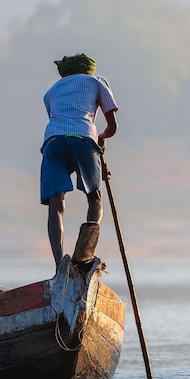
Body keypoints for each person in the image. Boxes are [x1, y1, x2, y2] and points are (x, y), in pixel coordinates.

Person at [39, 53, 119, 271]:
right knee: (95, 199)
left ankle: (60, 266)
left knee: (56, 206)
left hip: (53, 142)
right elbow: (112, 127)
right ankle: (84, 255)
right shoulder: (96, 81)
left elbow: (60, 123)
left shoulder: (51, 91)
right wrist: (101, 138)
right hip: (82, 138)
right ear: (87, 69)